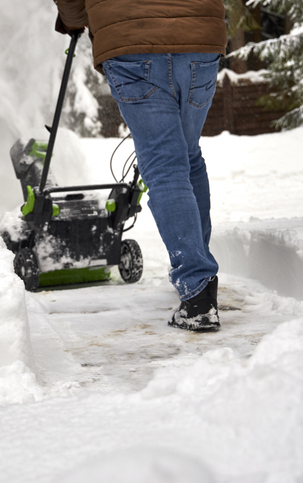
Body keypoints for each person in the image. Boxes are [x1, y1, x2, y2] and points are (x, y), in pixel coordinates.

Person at [53, 0, 228, 331]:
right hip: (199, 38)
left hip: (131, 41)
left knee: (166, 166)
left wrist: (75, 19)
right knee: (187, 157)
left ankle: (198, 288)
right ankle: (199, 275)